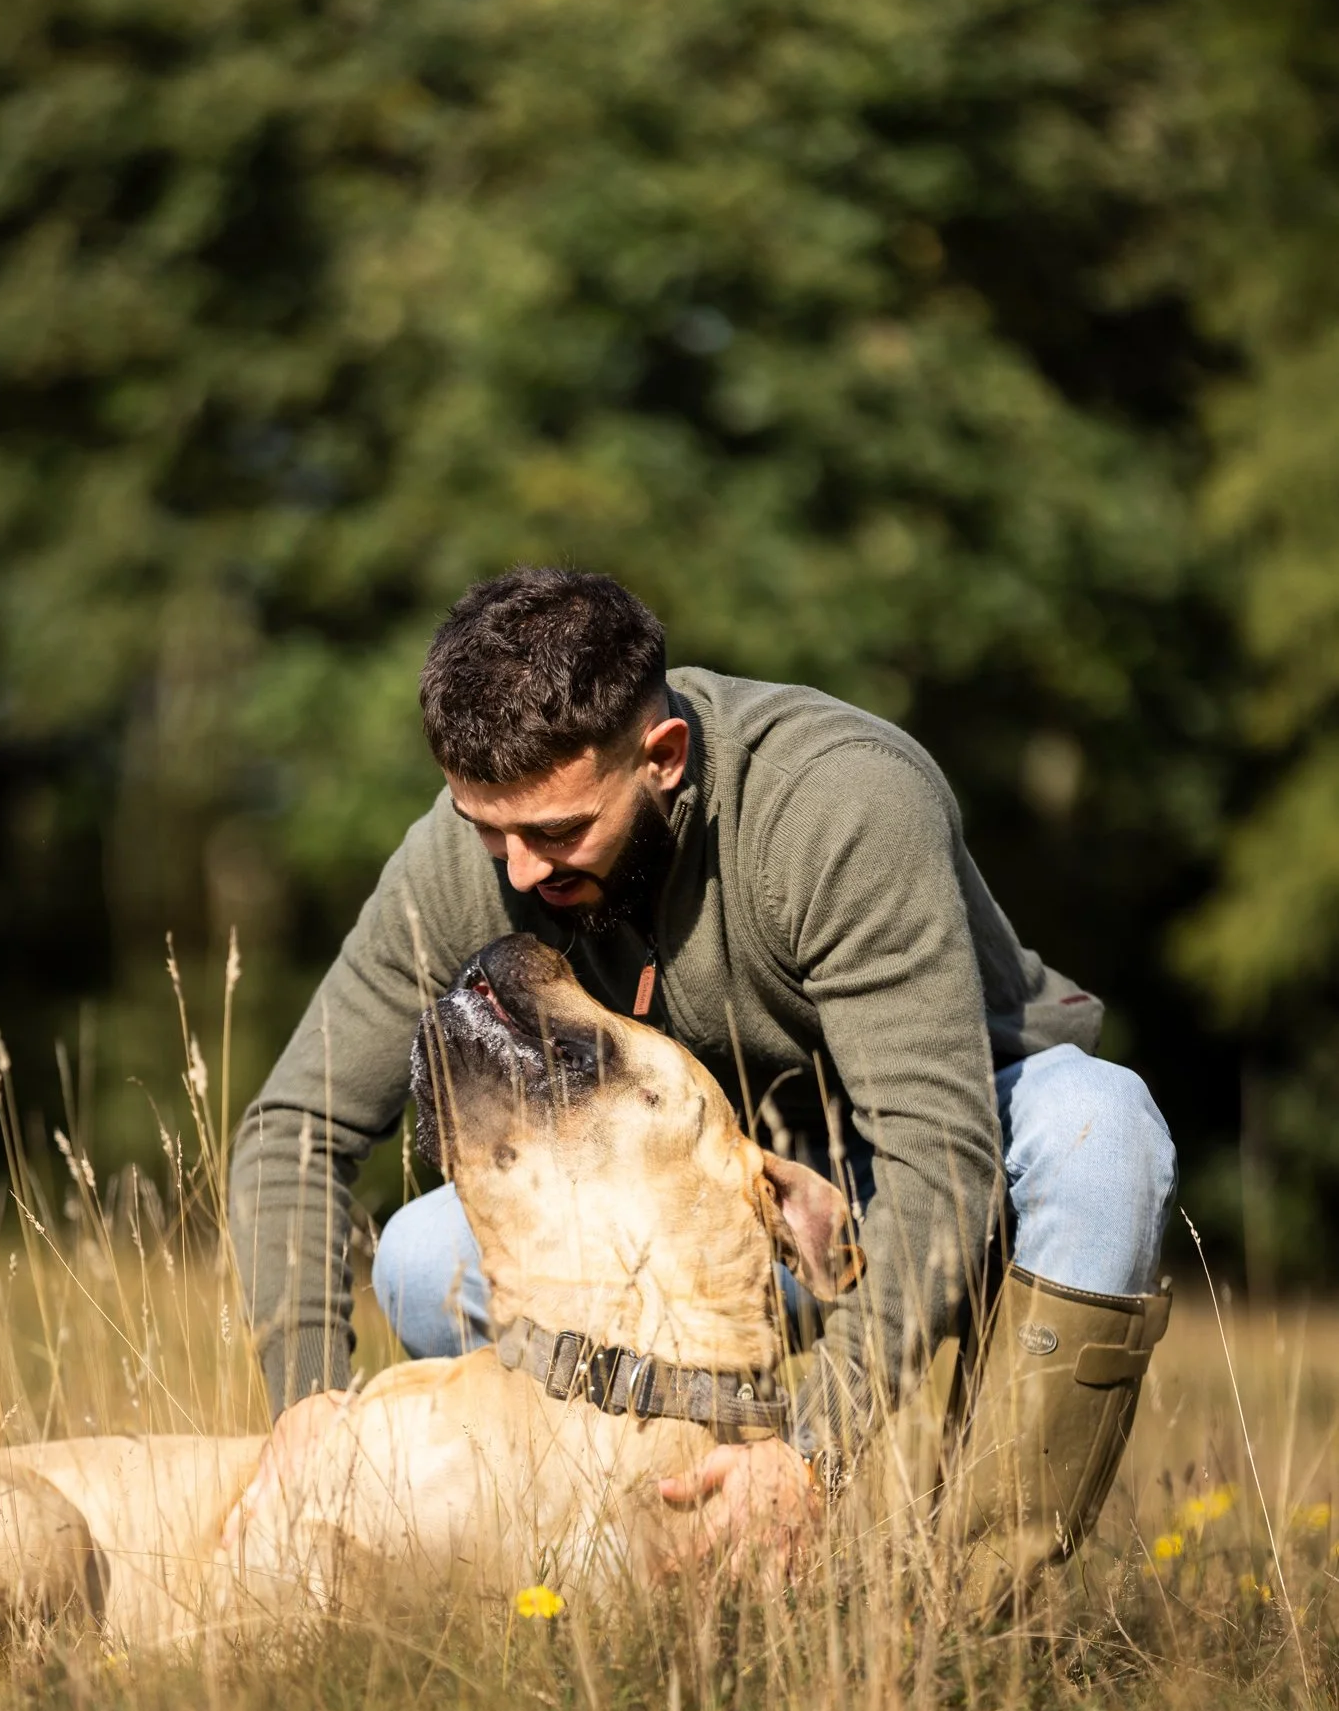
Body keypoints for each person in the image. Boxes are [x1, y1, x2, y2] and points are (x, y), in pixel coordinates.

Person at [228, 568, 1175, 1554]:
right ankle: (630, 1568)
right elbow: (296, 1127)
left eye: (555, 832)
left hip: (965, 1156)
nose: (516, 871)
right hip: (717, 1218)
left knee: (1100, 1132)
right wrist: (306, 1402)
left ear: (662, 755)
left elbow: (940, 1159)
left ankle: (979, 1623)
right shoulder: (475, 851)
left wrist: (811, 1452)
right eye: (487, 830)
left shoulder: (837, 803)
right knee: (426, 1264)